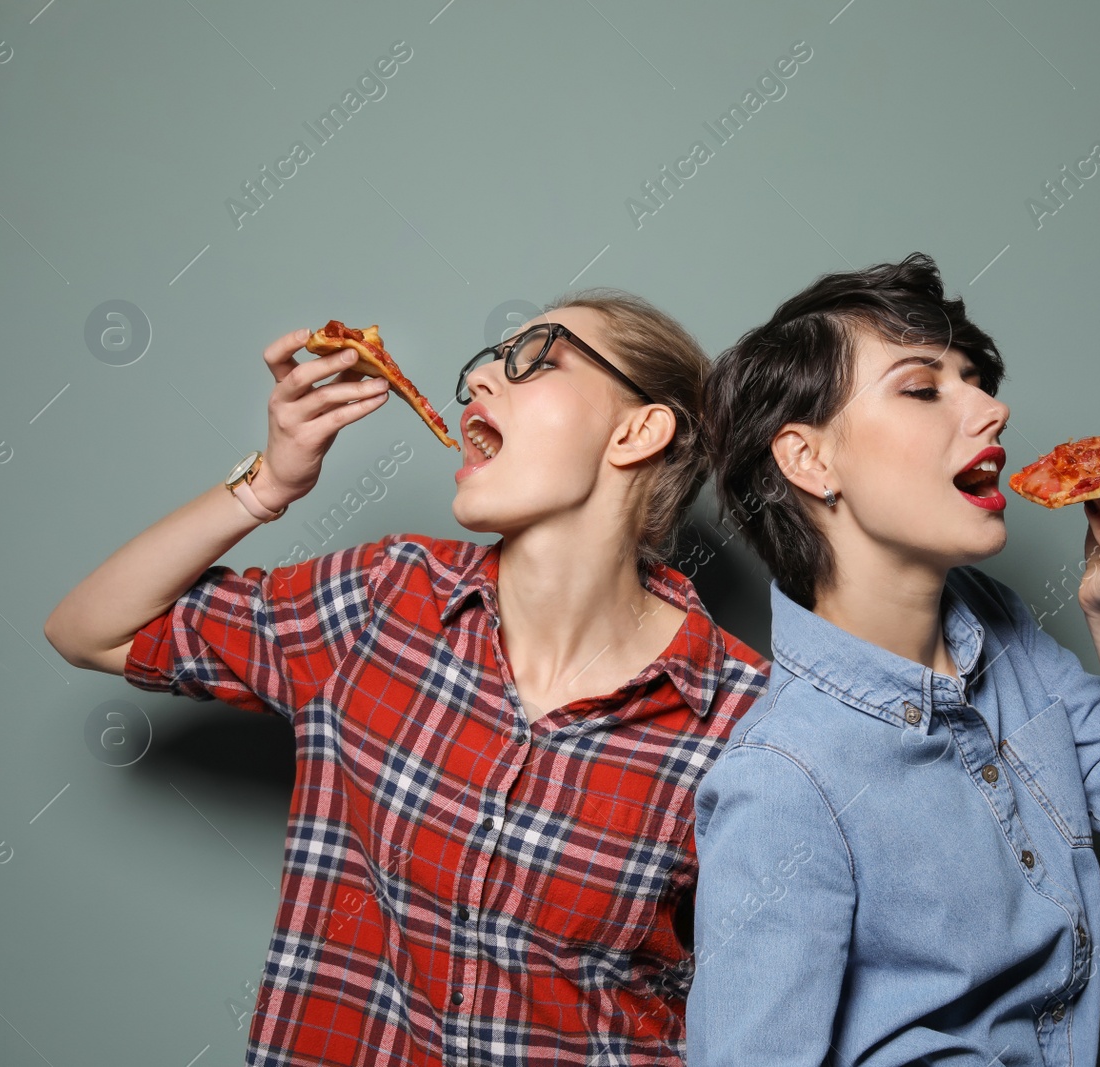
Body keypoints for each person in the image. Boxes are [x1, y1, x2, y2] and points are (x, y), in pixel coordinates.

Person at [44, 291, 770, 1066]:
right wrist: (266, 488)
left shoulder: (746, 722)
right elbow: (89, 629)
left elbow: (765, 1005)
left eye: (537, 358)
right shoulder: (382, 599)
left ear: (638, 429)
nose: (483, 378)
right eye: (488, 362)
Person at [686, 253, 1100, 1067]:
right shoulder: (781, 781)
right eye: (923, 387)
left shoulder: (999, 633)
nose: (993, 406)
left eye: (976, 378)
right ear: (809, 460)